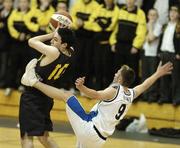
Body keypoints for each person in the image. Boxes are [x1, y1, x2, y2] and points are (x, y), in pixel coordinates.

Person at [21, 59, 173, 148]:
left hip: (90, 129)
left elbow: (96, 95)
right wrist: (158, 74)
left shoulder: (115, 89)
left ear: (120, 79)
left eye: (117, 73)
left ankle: (33, 81)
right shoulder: (131, 94)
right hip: (99, 140)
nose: (115, 73)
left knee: (68, 96)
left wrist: (81, 87)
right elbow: (146, 84)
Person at [19, 27, 76, 148]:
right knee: (44, 138)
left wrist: (50, 34)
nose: (51, 41)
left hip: (33, 96)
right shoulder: (70, 52)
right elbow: (70, 40)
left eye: (55, 40)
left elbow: (31, 41)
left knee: (26, 138)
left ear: (64, 44)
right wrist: (58, 33)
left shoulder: (54, 52)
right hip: (46, 96)